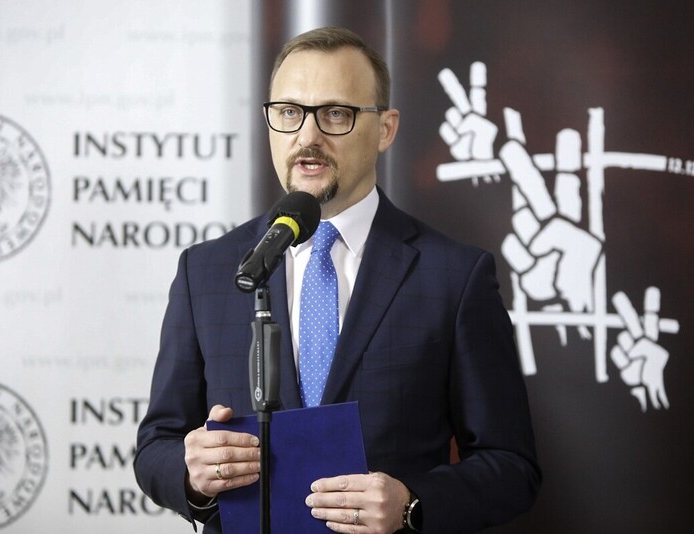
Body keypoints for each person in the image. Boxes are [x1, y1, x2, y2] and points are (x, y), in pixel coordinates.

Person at [135, 26, 541, 533]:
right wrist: (192, 475)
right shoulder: (208, 271)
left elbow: (511, 465)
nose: (307, 137)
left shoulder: (455, 276)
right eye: (288, 113)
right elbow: (157, 446)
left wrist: (414, 504)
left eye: (335, 114)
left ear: (386, 129)